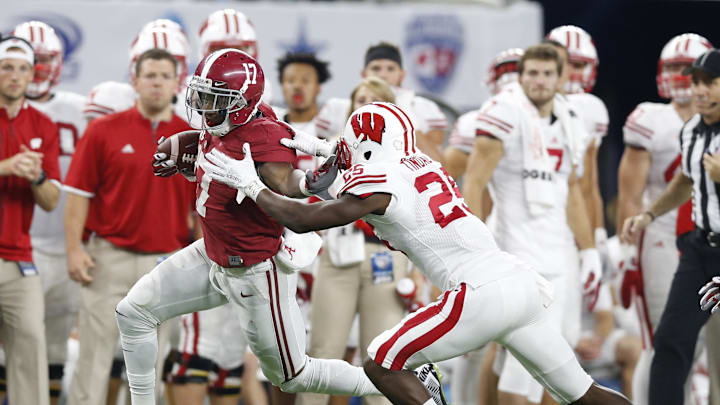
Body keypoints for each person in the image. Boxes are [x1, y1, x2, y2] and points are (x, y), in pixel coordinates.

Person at [200, 100, 632, 405]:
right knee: (583, 394)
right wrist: (322, 168)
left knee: (381, 362)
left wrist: (252, 185)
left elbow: (304, 219)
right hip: (519, 282)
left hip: (478, 290)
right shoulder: (423, 166)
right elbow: (361, 197)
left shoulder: (376, 179)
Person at [114, 49, 439, 405]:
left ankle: (404, 386)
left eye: (215, 99)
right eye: (202, 95)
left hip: (254, 269)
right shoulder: (237, 121)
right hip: (212, 253)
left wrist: (303, 180)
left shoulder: (260, 137)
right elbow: (255, 147)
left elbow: (285, 183)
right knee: (134, 312)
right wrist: (190, 157)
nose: (204, 106)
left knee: (292, 375)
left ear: (242, 103)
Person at [461, 44, 601, 405]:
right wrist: (473, 249)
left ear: (561, 78)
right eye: (532, 73)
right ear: (520, 76)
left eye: (547, 74)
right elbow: (474, 182)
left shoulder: (570, 118)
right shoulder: (506, 112)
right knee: (524, 373)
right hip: (517, 255)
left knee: (535, 367)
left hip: (558, 257)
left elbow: (571, 192)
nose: (539, 81)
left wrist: (588, 252)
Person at [63, 48, 196, 405]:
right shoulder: (102, 131)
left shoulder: (191, 139)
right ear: (134, 81)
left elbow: (201, 208)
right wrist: (74, 250)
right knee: (93, 356)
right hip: (109, 258)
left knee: (149, 365)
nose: (156, 83)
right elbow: (78, 194)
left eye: (164, 76)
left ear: (177, 84)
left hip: (164, 264)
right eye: (149, 75)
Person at [300, 77, 412, 405]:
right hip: (338, 254)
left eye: (374, 99)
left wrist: (417, 270)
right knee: (323, 352)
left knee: (383, 359)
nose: (365, 105)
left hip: (387, 258)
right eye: (359, 99)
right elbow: (310, 202)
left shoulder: (405, 155)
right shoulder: (334, 148)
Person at [616, 33, 712, 405]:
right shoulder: (650, 119)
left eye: (687, 69)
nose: (680, 76)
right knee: (662, 342)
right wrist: (626, 252)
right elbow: (629, 194)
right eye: (672, 67)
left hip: (708, 237)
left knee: (702, 347)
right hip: (662, 236)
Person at [9, 20, 88, 405]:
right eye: (29, 62)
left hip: (65, 242)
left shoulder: (79, 109)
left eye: (43, 62)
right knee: (18, 346)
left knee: (53, 346)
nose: (37, 70)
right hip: (21, 244)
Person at [0, 35, 60, 405]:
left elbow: (52, 200)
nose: (16, 76)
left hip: (19, 258)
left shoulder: (43, 124)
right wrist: (5, 167)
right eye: (7, 67)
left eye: (23, 69)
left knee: (31, 350)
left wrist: (35, 177)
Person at [316, 42, 447, 161]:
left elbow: (438, 164)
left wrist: (404, 112)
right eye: (376, 68)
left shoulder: (423, 108)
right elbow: (317, 160)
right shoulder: (337, 108)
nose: (383, 75)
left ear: (402, 75)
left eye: (390, 69)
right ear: (364, 74)